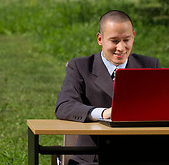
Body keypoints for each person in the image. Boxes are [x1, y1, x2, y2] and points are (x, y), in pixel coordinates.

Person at [55, 10, 160, 165]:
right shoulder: (80, 67)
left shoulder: (150, 66)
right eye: (114, 41)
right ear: (100, 39)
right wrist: (102, 113)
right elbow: (64, 106)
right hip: (92, 157)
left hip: (140, 155)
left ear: (133, 36)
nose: (121, 48)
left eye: (126, 40)